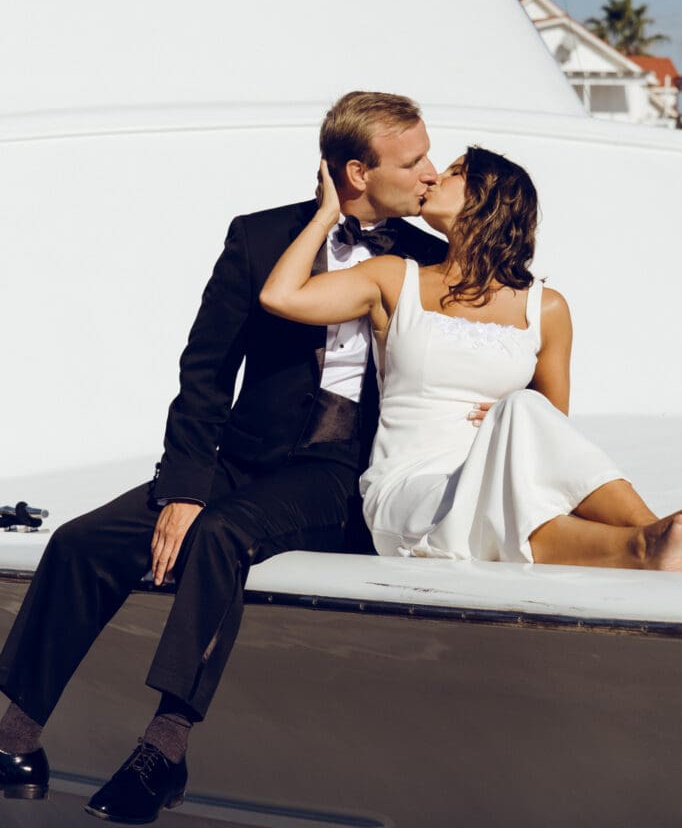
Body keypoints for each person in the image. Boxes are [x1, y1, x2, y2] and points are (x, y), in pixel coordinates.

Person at [0, 91, 448, 822]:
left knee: (219, 536)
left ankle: (165, 748)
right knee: (81, 543)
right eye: (414, 159)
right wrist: (184, 484)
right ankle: (17, 736)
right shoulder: (258, 237)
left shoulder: (433, 260)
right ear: (358, 173)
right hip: (240, 458)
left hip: (338, 473)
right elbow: (204, 370)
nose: (429, 171)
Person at [261, 142, 682, 570]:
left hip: (500, 482)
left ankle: (652, 535)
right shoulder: (394, 277)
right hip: (412, 490)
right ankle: (651, 542)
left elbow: (553, 434)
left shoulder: (546, 308)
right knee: (508, 466)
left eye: (454, 171)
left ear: (487, 196)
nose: (433, 177)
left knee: (522, 408)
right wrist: (325, 216)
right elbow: (281, 296)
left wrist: (505, 415)